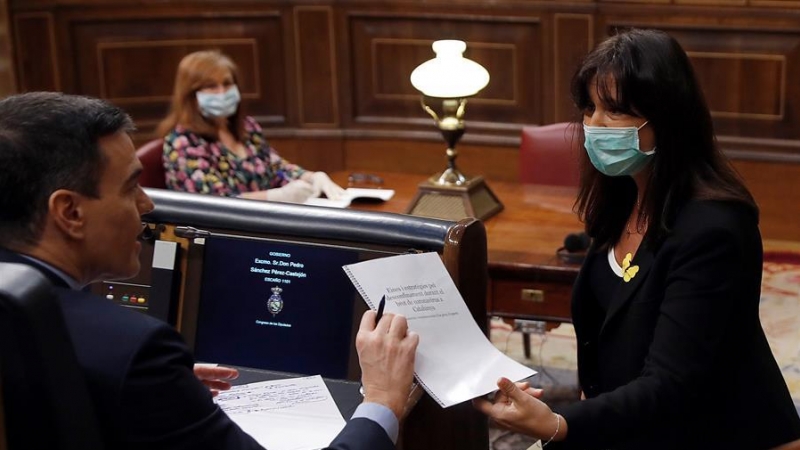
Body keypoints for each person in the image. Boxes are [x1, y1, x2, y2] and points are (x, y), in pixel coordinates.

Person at [0, 91, 419, 450]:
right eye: (130, 187)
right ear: (69, 211)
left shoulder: (109, 356)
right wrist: (382, 401)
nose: (147, 206)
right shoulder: (133, 350)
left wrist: (162, 394)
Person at [475, 29, 800, 449]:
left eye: (614, 111)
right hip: (640, 427)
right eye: (589, 109)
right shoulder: (623, 196)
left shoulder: (715, 230)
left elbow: (672, 383)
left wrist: (560, 423)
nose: (593, 126)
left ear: (666, 118)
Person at [156, 50, 345, 203]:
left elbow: (275, 168)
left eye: (227, 84)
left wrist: (310, 177)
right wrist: (274, 197)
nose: (222, 92)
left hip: (266, 222)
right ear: (190, 94)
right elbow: (211, 203)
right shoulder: (182, 142)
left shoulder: (247, 127)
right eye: (211, 86)